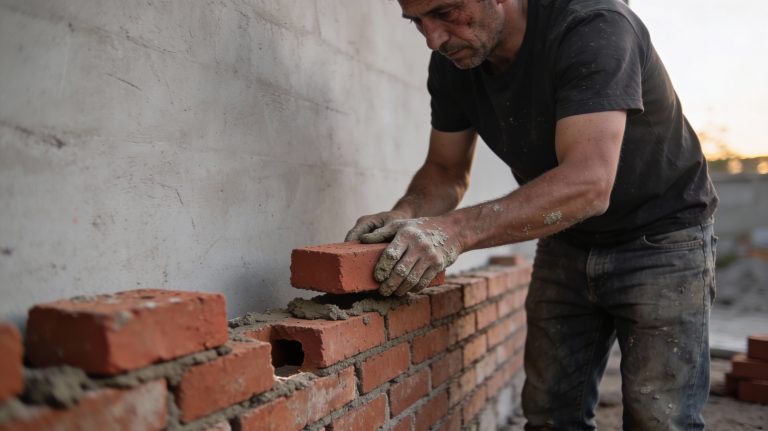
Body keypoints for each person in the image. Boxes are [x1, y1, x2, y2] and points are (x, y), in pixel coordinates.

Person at [345, 0, 718, 429]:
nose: (433, 38)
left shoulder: (594, 27)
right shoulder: (454, 61)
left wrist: (454, 232)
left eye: (445, 12)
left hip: (664, 238)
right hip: (568, 238)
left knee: (659, 416)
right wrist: (403, 214)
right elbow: (445, 172)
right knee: (548, 413)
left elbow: (590, 183)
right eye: (418, 23)